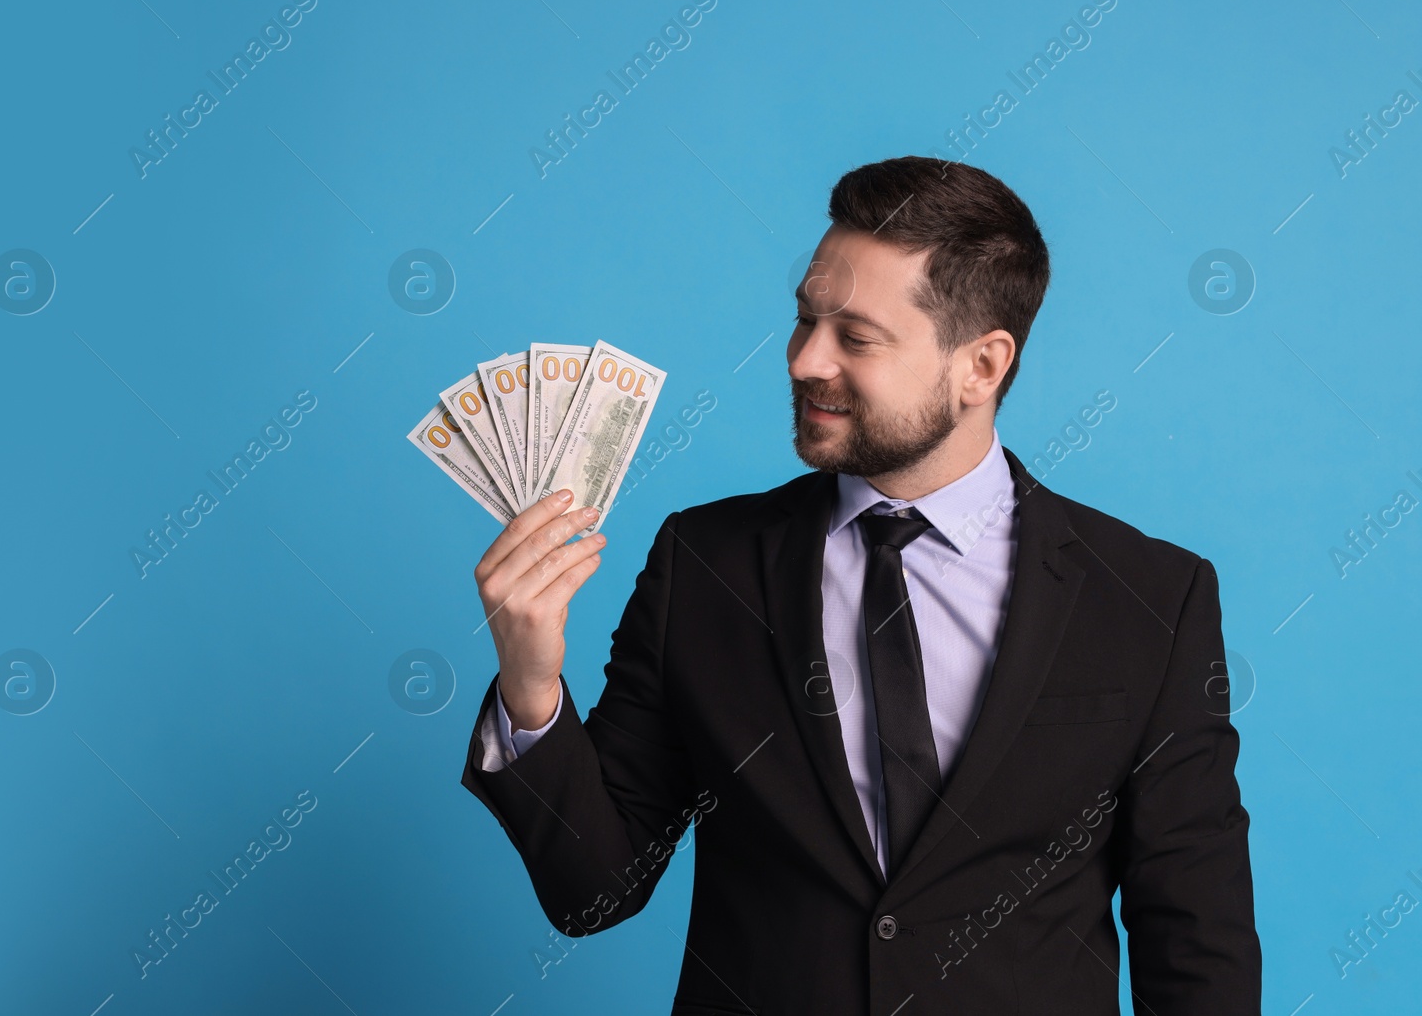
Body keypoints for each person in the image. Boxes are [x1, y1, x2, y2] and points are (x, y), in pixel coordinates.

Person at [461, 156, 1261, 1014]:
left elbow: (1195, 940)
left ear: (982, 367)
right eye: (805, 320)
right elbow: (596, 889)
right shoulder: (705, 564)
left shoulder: (1149, 596)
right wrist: (531, 687)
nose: (805, 360)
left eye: (856, 336)